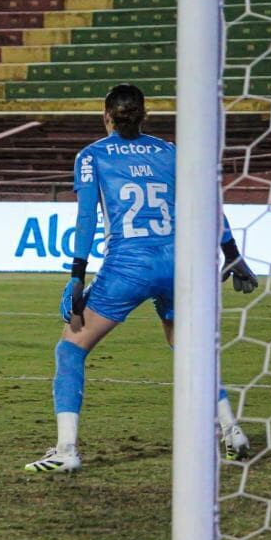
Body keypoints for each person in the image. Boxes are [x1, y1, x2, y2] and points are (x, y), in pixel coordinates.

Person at [25, 84, 258, 473]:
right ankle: (231, 430)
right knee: (188, 348)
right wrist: (232, 254)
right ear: (145, 115)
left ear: (106, 116)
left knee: (70, 349)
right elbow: (207, 203)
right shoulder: (171, 153)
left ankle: (66, 449)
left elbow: (86, 218)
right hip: (180, 263)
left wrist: (77, 276)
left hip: (128, 267)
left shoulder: (92, 156)